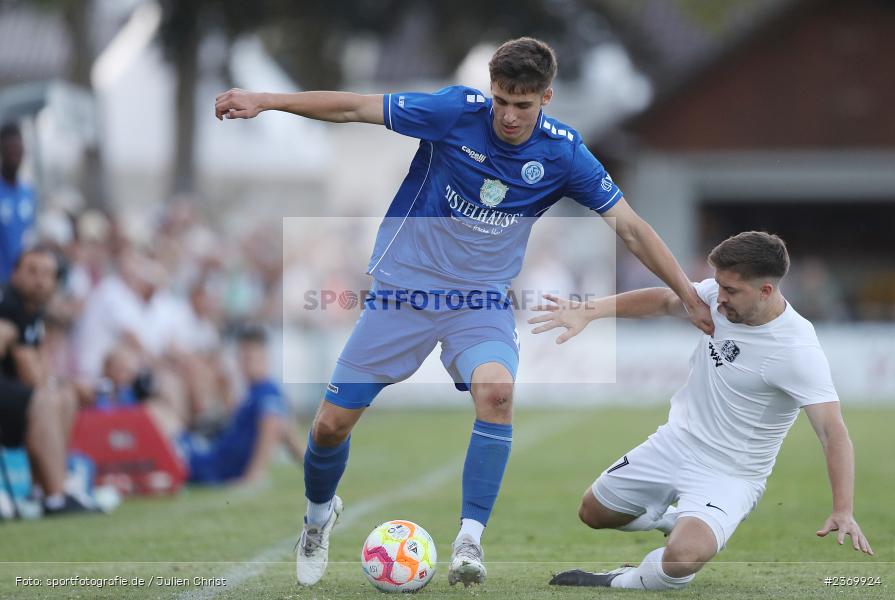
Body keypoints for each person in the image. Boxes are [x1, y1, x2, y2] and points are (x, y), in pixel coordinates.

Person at [215, 37, 713, 587]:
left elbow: (631, 228)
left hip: (478, 300)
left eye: (522, 105)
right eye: (500, 99)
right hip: (403, 292)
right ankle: (317, 517)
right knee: (331, 427)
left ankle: (469, 541)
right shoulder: (454, 112)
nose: (507, 115)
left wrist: (687, 294)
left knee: (497, 392)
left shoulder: (564, 153)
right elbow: (357, 106)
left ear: (546, 98)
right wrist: (266, 99)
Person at [527, 231, 873, 591]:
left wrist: (843, 509)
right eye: (719, 285)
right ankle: (673, 520)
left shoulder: (797, 352)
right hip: (676, 442)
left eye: (731, 291)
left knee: (683, 559)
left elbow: (833, 431)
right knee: (594, 512)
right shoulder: (719, 298)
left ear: (766, 291)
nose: (718, 298)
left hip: (730, 474)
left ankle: (621, 580)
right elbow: (664, 301)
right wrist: (591, 310)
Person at [148, 326, 299, 486]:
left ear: (265, 358)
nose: (246, 364)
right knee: (161, 416)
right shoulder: (253, 392)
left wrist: (253, 475)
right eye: (244, 358)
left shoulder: (267, 391)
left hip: (214, 467)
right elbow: (285, 430)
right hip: (213, 455)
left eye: (252, 358)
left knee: (157, 413)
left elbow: (271, 427)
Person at [0, 246, 89, 514]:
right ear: (15, 274)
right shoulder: (9, 304)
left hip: (10, 392)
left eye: (46, 274)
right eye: (32, 271)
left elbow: (39, 365)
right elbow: (30, 371)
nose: (39, 280)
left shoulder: (33, 310)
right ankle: (56, 496)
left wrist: (57, 385)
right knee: (45, 399)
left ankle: (45, 488)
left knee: (63, 395)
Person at [0, 123, 36, 282]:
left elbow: (30, 235)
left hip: (21, 282)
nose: (15, 155)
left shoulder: (28, 192)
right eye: (10, 150)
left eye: (18, 150)